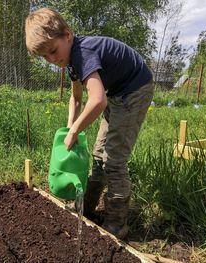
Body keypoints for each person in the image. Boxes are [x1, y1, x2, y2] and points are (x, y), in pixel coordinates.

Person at [25, 7, 154, 239]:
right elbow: (76, 98)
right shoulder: (71, 61)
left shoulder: (84, 53)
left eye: (53, 51)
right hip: (117, 93)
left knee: (114, 159)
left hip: (134, 90)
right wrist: (68, 127)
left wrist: (75, 130)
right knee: (98, 155)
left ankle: (116, 224)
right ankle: (86, 209)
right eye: (45, 57)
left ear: (67, 35)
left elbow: (97, 100)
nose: (52, 60)